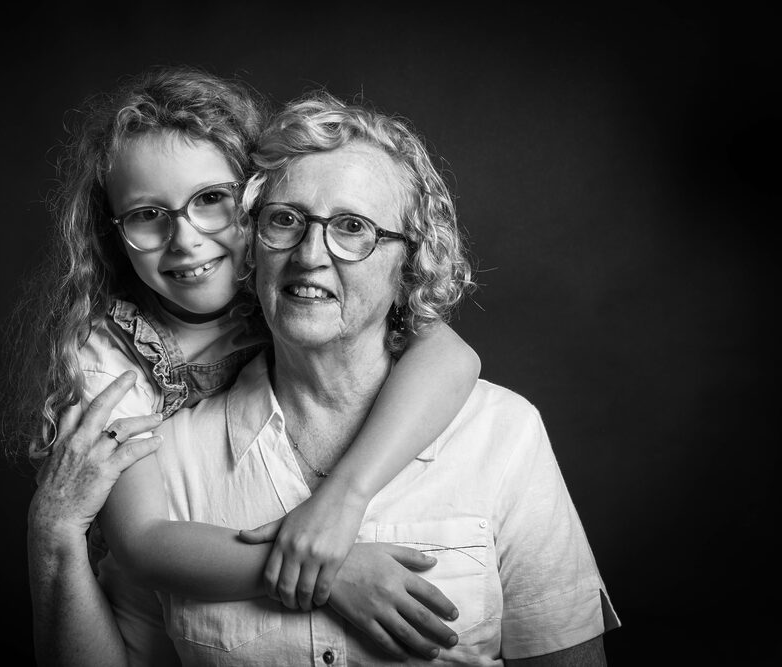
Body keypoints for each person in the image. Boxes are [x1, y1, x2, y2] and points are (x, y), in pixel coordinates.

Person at [101, 90, 621, 665]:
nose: (311, 254)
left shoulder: (502, 434)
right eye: (286, 220)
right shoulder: (167, 457)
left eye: (353, 227)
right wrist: (53, 540)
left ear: (410, 263)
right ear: (252, 247)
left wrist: (344, 498)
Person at [0, 65, 481, 664]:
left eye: (212, 201)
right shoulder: (107, 355)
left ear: (259, 201)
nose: (186, 239)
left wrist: (341, 500)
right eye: (148, 214)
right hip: (159, 582)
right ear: (112, 233)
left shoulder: (282, 287)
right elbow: (144, 544)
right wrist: (328, 569)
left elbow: (450, 353)